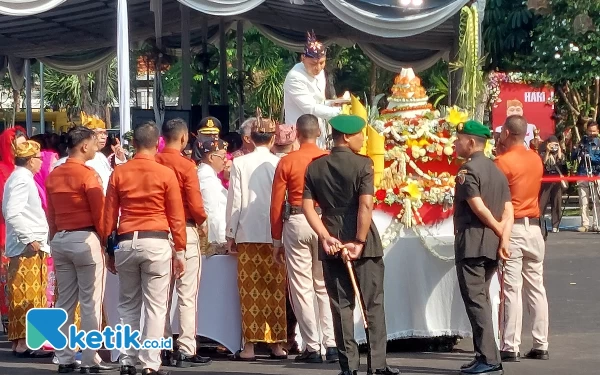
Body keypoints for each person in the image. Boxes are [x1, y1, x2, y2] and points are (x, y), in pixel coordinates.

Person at [302, 114, 399, 375]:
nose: (363, 138)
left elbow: (308, 207)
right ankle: (377, 365)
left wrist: (324, 235)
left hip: (331, 238)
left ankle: (348, 366)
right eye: (360, 134)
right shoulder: (363, 164)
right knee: (373, 303)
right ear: (346, 136)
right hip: (361, 237)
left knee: (341, 307)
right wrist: (359, 240)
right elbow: (365, 205)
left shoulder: (315, 167)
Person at [104, 122, 187, 375]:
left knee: (128, 304)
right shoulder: (165, 174)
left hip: (127, 241)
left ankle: (127, 359)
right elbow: (176, 216)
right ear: (156, 144)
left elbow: (109, 215)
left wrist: (109, 249)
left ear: (135, 144)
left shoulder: (119, 173)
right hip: (157, 242)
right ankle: (150, 363)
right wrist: (180, 251)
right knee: (155, 305)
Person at [46, 126, 115, 374]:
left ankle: (64, 358)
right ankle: (89, 358)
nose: (97, 146)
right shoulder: (88, 175)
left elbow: (51, 215)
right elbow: (100, 214)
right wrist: (107, 242)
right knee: (90, 302)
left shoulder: (54, 174)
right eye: (94, 142)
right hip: (86, 238)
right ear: (83, 146)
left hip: (61, 239)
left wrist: (56, 239)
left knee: (64, 302)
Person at [270, 114, 337, 363]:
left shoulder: (288, 161)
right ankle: (330, 343)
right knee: (323, 285)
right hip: (324, 223)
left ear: (297, 134)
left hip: (297, 220)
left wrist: (276, 239)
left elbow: (277, 203)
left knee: (301, 287)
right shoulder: (328, 159)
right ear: (318, 132)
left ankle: (311, 345)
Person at [226, 113, 288, 361]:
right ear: (273, 139)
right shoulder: (280, 163)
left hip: (247, 232)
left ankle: (250, 346)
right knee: (275, 289)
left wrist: (230, 233)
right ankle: (276, 345)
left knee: (250, 290)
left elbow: (235, 202)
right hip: (276, 233)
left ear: (250, 139)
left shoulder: (240, 164)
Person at [453, 120, 512, 375]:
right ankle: (483, 354)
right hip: (491, 244)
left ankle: (489, 358)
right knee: (482, 299)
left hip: (473, 242)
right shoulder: (496, 170)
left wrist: (499, 231)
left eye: (458, 139)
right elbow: (509, 210)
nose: (455, 144)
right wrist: (504, 237)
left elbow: (477, 206)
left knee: (476, 301)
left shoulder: (468, 170)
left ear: (470, 142)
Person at [155, 118, 211, 368]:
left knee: (160, 295)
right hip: (185, 229)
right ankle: (186, 348)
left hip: (156, 230)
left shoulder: (153, 161)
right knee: (187, 293)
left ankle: (163, 345)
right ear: (183, 138)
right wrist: (202, 220)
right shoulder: (187, 165)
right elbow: (195, 203)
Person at [496, 115, 549, 362]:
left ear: (506, 132)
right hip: (535, 227)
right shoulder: (535, 159)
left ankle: (510, 345)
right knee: (536, 288)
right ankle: (541, 343)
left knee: (511, 289)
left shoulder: (502, 162)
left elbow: (496, 196)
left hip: (513, 227)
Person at [2, 140, 53, 358]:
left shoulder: (21, 178)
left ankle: (22, 341)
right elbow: (12, 213)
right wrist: (29, 237)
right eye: (39, 158)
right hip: (27, 246)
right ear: (31, 160)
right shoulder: (22, 179)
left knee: (26, 292)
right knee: (27, 293)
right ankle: (25, 342)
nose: (41, 162)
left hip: (28, 244)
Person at [283, 31, 341, 149]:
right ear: (303, 58)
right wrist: (339, 113)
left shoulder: (320, 73)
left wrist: (333, 103)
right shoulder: (295, 77)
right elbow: (310, 107)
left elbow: (318, 102)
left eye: (322, 63)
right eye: (313, 63)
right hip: (299, 138)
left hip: (318, 134)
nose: (318, 68)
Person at [0, 127, 27, 336]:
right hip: (5, 233)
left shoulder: (25, 171)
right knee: (7, 281)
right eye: (18, 145)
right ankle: (11, 326)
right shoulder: (2, 171)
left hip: (25, 233)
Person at [197, 138, 229, 251]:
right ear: (211, 157)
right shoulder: (206, 178)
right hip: (213, 241)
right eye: (222, 156)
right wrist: (222, 240)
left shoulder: (210, 175)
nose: (225, 160)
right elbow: (213, 211)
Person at [571, 121, 600, 232]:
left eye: (594, 131)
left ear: (598, 131)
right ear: (586, 131)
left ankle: (597, 223)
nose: (591, 133)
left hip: (596, 174)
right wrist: (576, 149)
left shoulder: (599, 144)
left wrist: (590, 157)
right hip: (583, 173)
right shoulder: (582, 142)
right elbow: (573, 157)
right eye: (590, 131)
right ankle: (585, 224)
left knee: (596, 200)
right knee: (583, 201)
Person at [539, 135, 567, 233]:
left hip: (557, 180)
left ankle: (556, 225)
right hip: (546, 180)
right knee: (542, 202)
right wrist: (547, 151)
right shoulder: (543, 152)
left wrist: (559, 149)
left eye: (556, 144)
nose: (553, 147)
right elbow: (544, 162)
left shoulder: (560, 153)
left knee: (557, 202)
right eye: (552, 144)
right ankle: (539, 223)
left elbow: (562, 162)